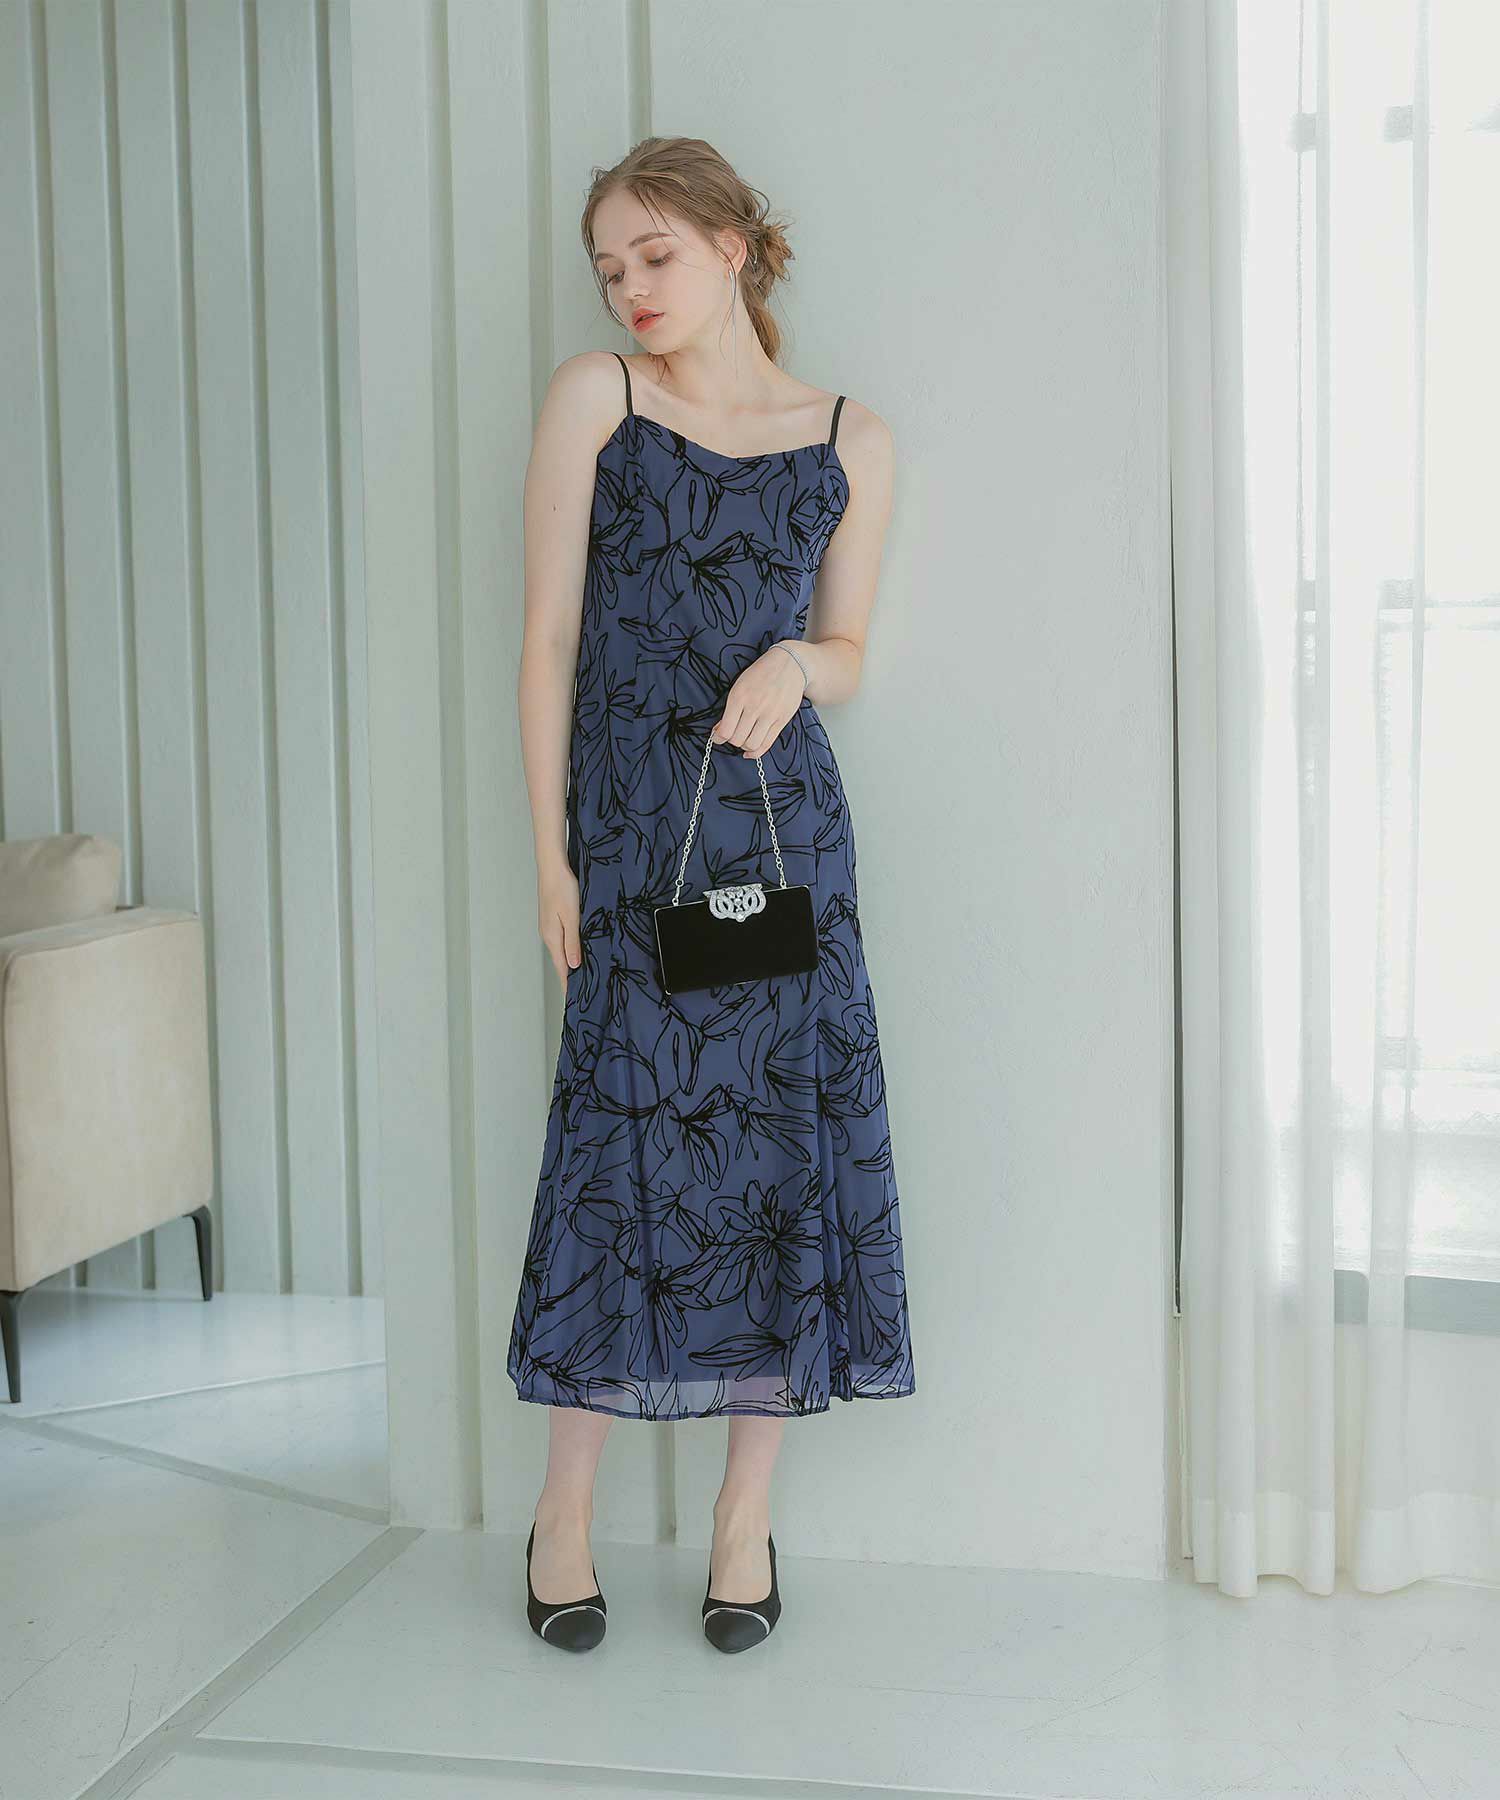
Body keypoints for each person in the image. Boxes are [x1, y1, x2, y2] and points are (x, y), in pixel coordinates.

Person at [510, 136, 915, 1654]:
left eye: (656, 255)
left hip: (781, 849)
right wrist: (548, 855)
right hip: (630, 849)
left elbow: (851, 651)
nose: (629, 287)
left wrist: (800, 662)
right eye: (609, 267)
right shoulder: (597, 400)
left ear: (734, 247)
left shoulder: (851, 438)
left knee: (771, 1168)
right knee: (612, 1162)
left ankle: (746, 1522)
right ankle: (564, 1511)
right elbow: (548, 640)